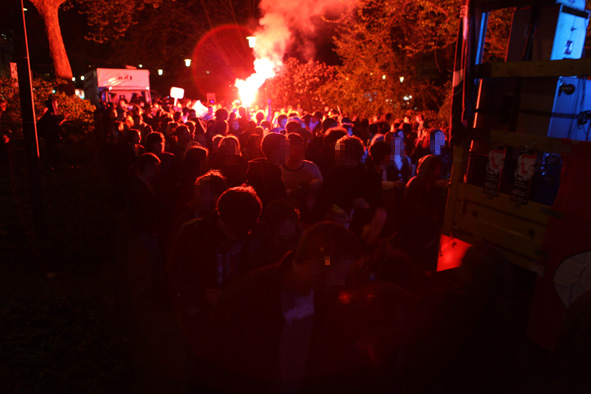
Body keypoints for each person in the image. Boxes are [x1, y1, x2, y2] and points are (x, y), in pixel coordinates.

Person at [198, 221, 363, 393]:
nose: (343, 283)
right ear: (319, 258)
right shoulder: (248, 297)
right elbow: (213, 366)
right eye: (341, 274)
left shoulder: (325, 303)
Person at [167, 186, 272, 347]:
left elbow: (266, 272)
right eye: (232, 230)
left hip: (240, 314)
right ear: (219, 215)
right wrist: (202, 293)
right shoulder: (191, 233)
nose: (238, 237)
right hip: (202, 314)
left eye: (247, 231)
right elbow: (175, 273)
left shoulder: (261, 234)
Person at [281, 132, 323, 221]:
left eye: (301, 149)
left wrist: (315, 186)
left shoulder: (312, 167)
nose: (300, 152)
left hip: (311, 216)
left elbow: (324, 191)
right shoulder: (280, 170)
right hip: (288, 219)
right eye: (295, 150)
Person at [245, 132, 288, 206]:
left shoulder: (257, 169)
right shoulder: (271, 177)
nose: (288, 153)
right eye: (284, 149)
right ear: (275, 151)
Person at [37, 98, 67, 169]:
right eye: (56, 103)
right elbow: (50, 128)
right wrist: (60, 129)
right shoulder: (49, 116)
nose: (57, 105)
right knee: (51, 155)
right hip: (51, 139)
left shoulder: (51, 115)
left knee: (54, 155)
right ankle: (49, 171)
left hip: (53, 139)